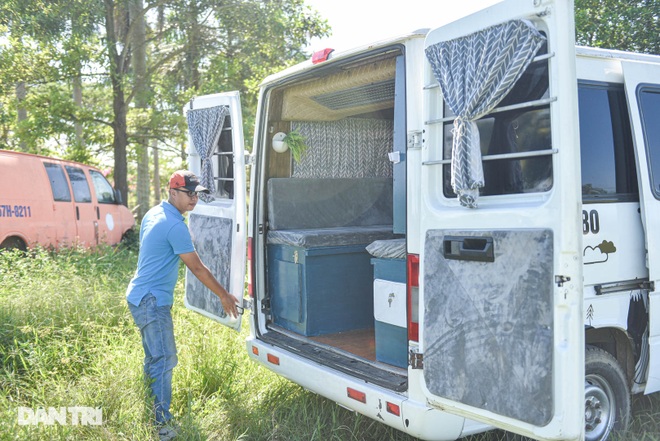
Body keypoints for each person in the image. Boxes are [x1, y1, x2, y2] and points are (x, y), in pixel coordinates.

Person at [126, 170, 239, 440]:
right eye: (189, 194)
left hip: (139, 296)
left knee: (155, 358)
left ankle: (152, 412)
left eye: (196, 194)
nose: (194, 199)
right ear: (173, 192)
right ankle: (162, 426)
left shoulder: (154, 213)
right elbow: (198, 268)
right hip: (151, 300)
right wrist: (223, 295)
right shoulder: (174, 225)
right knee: (165, 359)